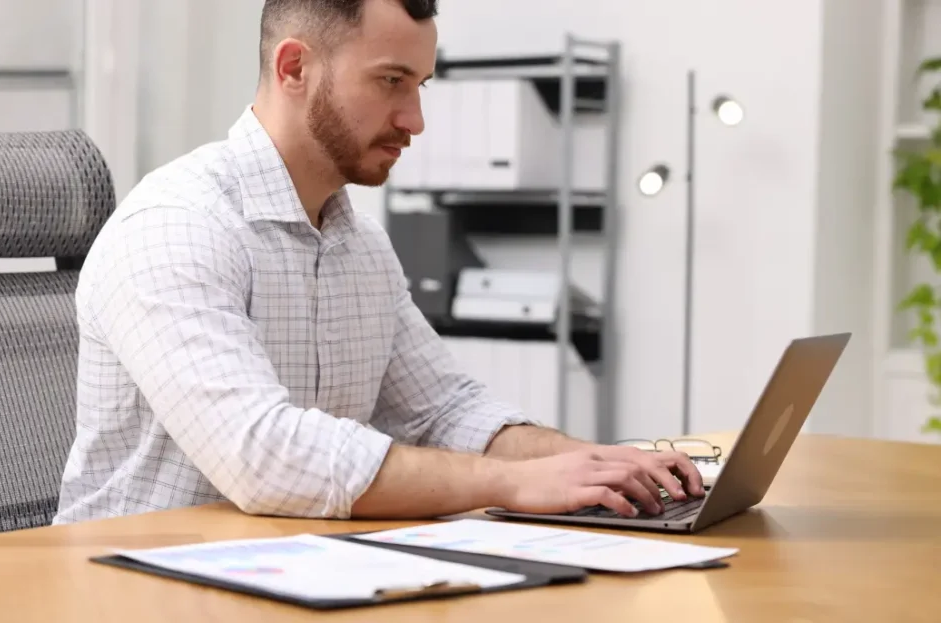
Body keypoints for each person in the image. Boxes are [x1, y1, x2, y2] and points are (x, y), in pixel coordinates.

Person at [53, 0, 705, 525]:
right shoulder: (176, 226)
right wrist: (513, 482)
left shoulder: (361, 244)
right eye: (391, 81)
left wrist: (592, 464)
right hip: (134, 585)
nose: (415, 120)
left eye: (420, 86)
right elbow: (262, 455)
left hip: (293, 568)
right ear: (293, 68)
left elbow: (442, 411)